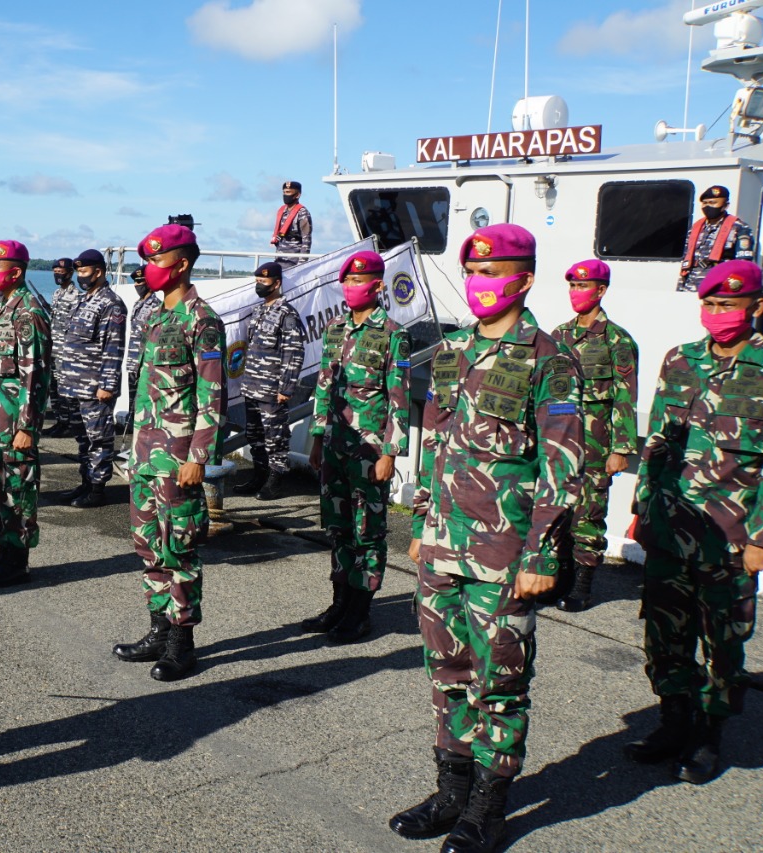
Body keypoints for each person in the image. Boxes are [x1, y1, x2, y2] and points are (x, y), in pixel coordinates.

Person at [393, 224, 582, 852]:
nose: (480, 284)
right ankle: (450, 791)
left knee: (498, 679)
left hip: (505, 556)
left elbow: (562, 462)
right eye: (472, 273)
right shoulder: (450, 351)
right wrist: (422, 522)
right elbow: (435, 447)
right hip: (443, 546)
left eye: (494, 273)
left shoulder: (549, 359)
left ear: (524, 280)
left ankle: (488, 807)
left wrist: (543, 552)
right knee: (446, 671)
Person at [626, 259, 763, 785]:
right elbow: (660, 444)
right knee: (664, 633)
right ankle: (673, 719)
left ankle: (709, 734)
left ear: (755, 307)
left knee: (723, 641)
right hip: (670, 527)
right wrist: (642, 508)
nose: (717, 314)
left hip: (731, 538)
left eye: (728, 305)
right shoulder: (680, 360)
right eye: (709, 304)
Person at [112, 224, 225, 682]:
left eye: (155, 262)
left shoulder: (203, 319)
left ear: (180, 264)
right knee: (148, 545)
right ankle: (158, 627)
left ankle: (182, 641)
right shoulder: (154, 317)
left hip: (178, 457)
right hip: (145, 454)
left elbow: (211, 392)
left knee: (179, 547)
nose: (147, 270)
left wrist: (199, 456)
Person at [303, 251, 409, 643]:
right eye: (346, 282)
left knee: (368, 530)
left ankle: (361, 611)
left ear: (378, 286)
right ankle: (339, 603)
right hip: (334, 444)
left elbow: (399, 397)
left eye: (358, 281)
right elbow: (324, 386)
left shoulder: (393, 334)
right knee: (338, 526)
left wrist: (390, 453)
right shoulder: (335, 328)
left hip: (368, 450)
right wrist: (316, 438)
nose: (350, 288)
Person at [550, 260, 638, 612]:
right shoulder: (559, 335)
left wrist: (621, 448)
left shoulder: (617, 340)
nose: (576, 293)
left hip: (597, 445)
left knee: (588, 513)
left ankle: (582, 585)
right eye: (572, 286)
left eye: (583, 287)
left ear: (600, 290)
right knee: (558, 509)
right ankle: (560, 576)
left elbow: (625, 396)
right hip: (559, 442)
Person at [0, 239, 51, 588]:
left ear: (15, 272)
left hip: (14, 422)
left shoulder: (28, 311)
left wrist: (28, 426)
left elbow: (36, 373)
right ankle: (4, 550)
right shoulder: (3, 305)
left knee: (17, 490)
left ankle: (18, 561)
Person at [55, 249, 127, 508]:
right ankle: (85, 483)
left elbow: (113, 346)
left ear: (98, 271)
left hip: (95, 387)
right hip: (73, 385)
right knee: (82, 439)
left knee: (99, 439)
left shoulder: (111, 304)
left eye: (84, 272)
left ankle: (97, 490)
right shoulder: (82, 300)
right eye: (79, 272)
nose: (81, 277)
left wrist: (107, 385)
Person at [233, 261, 306, 500]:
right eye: (257, 282)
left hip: (272, 389)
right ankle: (259, 476)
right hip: (252, 385)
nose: (259, 286)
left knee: (275, 436)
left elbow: (293, 352)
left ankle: (275, 481)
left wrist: (286, 387)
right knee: (254, 435)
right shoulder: (258, 311)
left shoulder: (287, 314)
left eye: (263, 282)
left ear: (276, 283)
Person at [677, 185, 754, 292]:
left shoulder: (739, 228)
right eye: (705, 203)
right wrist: (681, 286)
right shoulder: (696, 227)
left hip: (719, 284)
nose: (708, 206)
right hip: (690, 284)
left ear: (725, 205)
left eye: (713, 203)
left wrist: (729, 290)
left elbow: (743, 265)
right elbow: (686, 258)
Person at [44, 257, 81, 438]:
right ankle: (59, 420)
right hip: (53, 348)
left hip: (65, 349)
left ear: (70, 273)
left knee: (65, 388)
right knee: (54, 388)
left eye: (61, 273)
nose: (58, 275)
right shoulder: (57, 294)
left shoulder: (76, 296)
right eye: (55, 273)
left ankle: (69, 423)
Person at [125, 267, 158, 395]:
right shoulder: (137, 304)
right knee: (132, 403)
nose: (136, 285)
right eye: (135, 282)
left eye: (139, 282)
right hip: (132, 363)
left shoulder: (156, 306)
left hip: (145, 365)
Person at [271, 180, 313, 269]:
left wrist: (301, 264)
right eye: (284, 192)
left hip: (293, 261)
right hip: (279, 260)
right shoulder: (282, 211)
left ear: (297, 195)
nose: (285, 195)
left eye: (288, 192)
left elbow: (306, 240)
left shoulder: (303, 213)